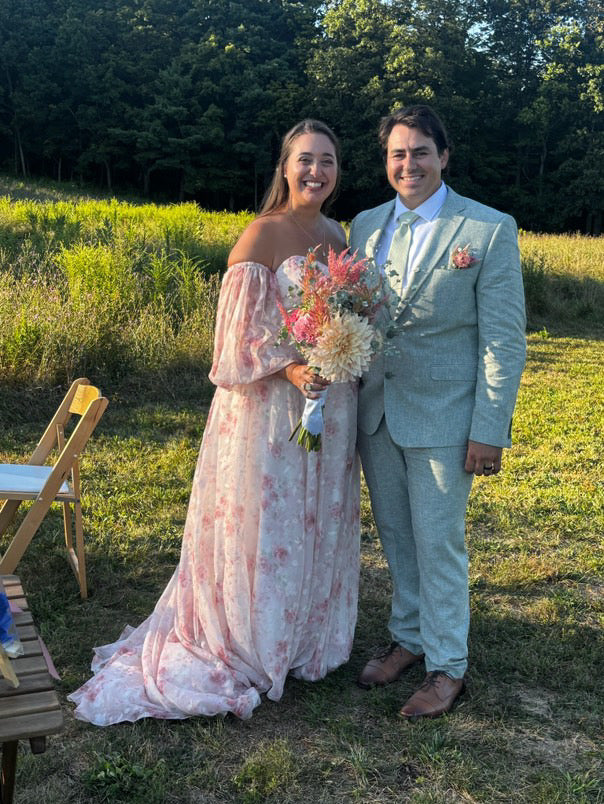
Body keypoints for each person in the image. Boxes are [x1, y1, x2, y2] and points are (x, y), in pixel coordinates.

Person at [68, 119, 360, 724]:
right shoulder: (260, 238)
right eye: (305, 159)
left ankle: (302, 634)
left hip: (329, 407)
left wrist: (343, 354)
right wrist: (292, 372)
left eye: (327, 161)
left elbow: (344, 319)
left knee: (313, 520)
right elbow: (233, 347)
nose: (316, 172)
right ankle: (251, 637)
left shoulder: (338, 236)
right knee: (269, 522)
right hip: (268, 410)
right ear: (284, 167)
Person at [349, 105, 526, 718]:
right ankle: (408, 637)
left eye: (420, 151)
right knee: (397, 539)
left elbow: (503, 339)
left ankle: (448, 666)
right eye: (398, 153)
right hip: (377, 414)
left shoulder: (487, 229)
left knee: (439, 542)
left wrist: (489, 428)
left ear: (443, 156)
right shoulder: (364, 227)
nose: (409, 164)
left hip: (448, 420)